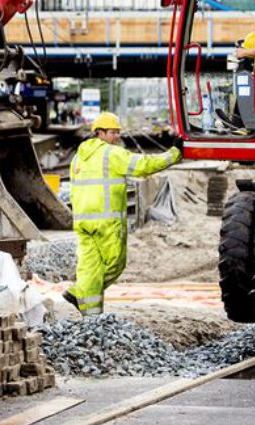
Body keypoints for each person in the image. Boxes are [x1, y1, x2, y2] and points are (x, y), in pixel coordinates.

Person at [64, 112, 182, 317]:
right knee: (115, 265)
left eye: (118, 132)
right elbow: (145, 165)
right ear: (99, 133)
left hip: (83, 222)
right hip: (106, 223)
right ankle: (77, 292)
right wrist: (174, 153)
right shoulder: (112, 154)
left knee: (88, 268)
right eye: (112, 132)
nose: (117, 137)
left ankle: (91, 316)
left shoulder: (77, 159)